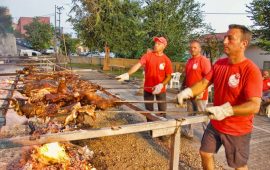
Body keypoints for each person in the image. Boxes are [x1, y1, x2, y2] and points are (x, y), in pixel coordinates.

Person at [177, 24, 262, 170]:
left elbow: (254, 105)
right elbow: (204, 82)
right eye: (225, 38)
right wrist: (188, 92)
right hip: (216, 124)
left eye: (230, 38)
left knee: (239, 166)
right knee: (204, 153)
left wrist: (225, 110)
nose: (224, 42)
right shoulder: (219, 64)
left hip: (237, 129)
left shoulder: (251, 70)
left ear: (244, 43)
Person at [116, 37, 173, 119]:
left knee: (162, 113)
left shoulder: (166, 60)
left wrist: (161, 85)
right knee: (148, 113)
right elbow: (138, 65)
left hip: (160, 90)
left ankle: (162, 130)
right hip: (148, 89)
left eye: (158, 44)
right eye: (155, 43)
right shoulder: (147, 56)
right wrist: (127, 74)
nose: (156, 45)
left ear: (164, 46)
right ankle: (151, 130)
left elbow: (169, 76)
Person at [181, 40, 211, 139]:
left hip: (200, 94)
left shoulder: (204, 61)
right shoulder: (189, 61)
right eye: (191, 48)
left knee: (203, 116)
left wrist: (202, 90)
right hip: (190, 93)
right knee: (190, 113)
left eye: (195, 47)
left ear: (199, 49)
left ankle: (208, 136)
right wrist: (182, 88)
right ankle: (188, 132)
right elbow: (186, 76)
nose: (192, 49)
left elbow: (209, 77)